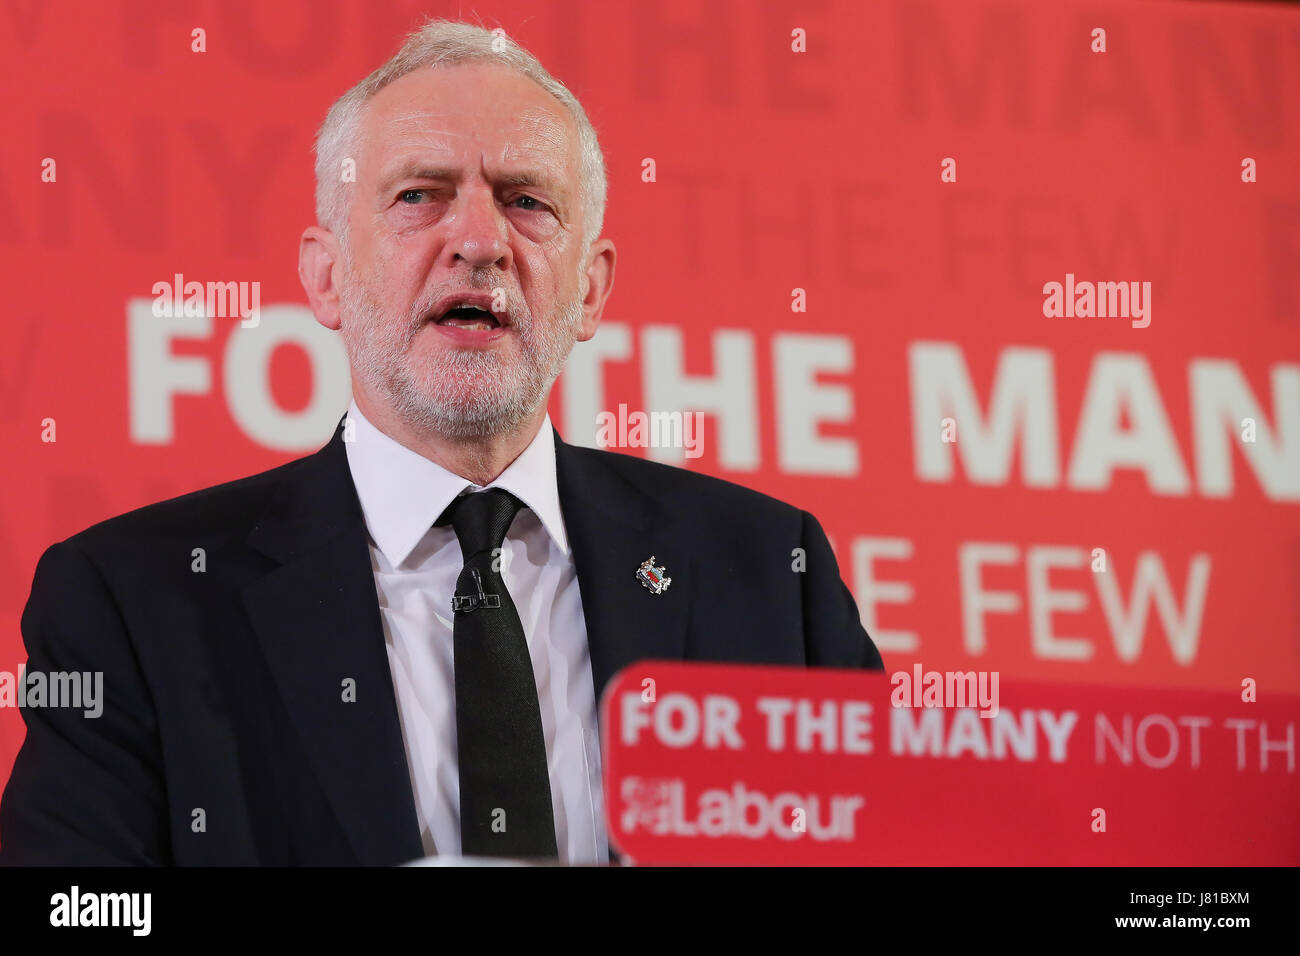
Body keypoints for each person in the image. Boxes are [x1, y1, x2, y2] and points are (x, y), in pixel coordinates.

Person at [0, 18, 882, 866]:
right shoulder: (133, 602)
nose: (478, 241)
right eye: (418, 195)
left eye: (527, 201)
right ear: (328, 273)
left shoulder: (771, 575)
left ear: (590, 290)